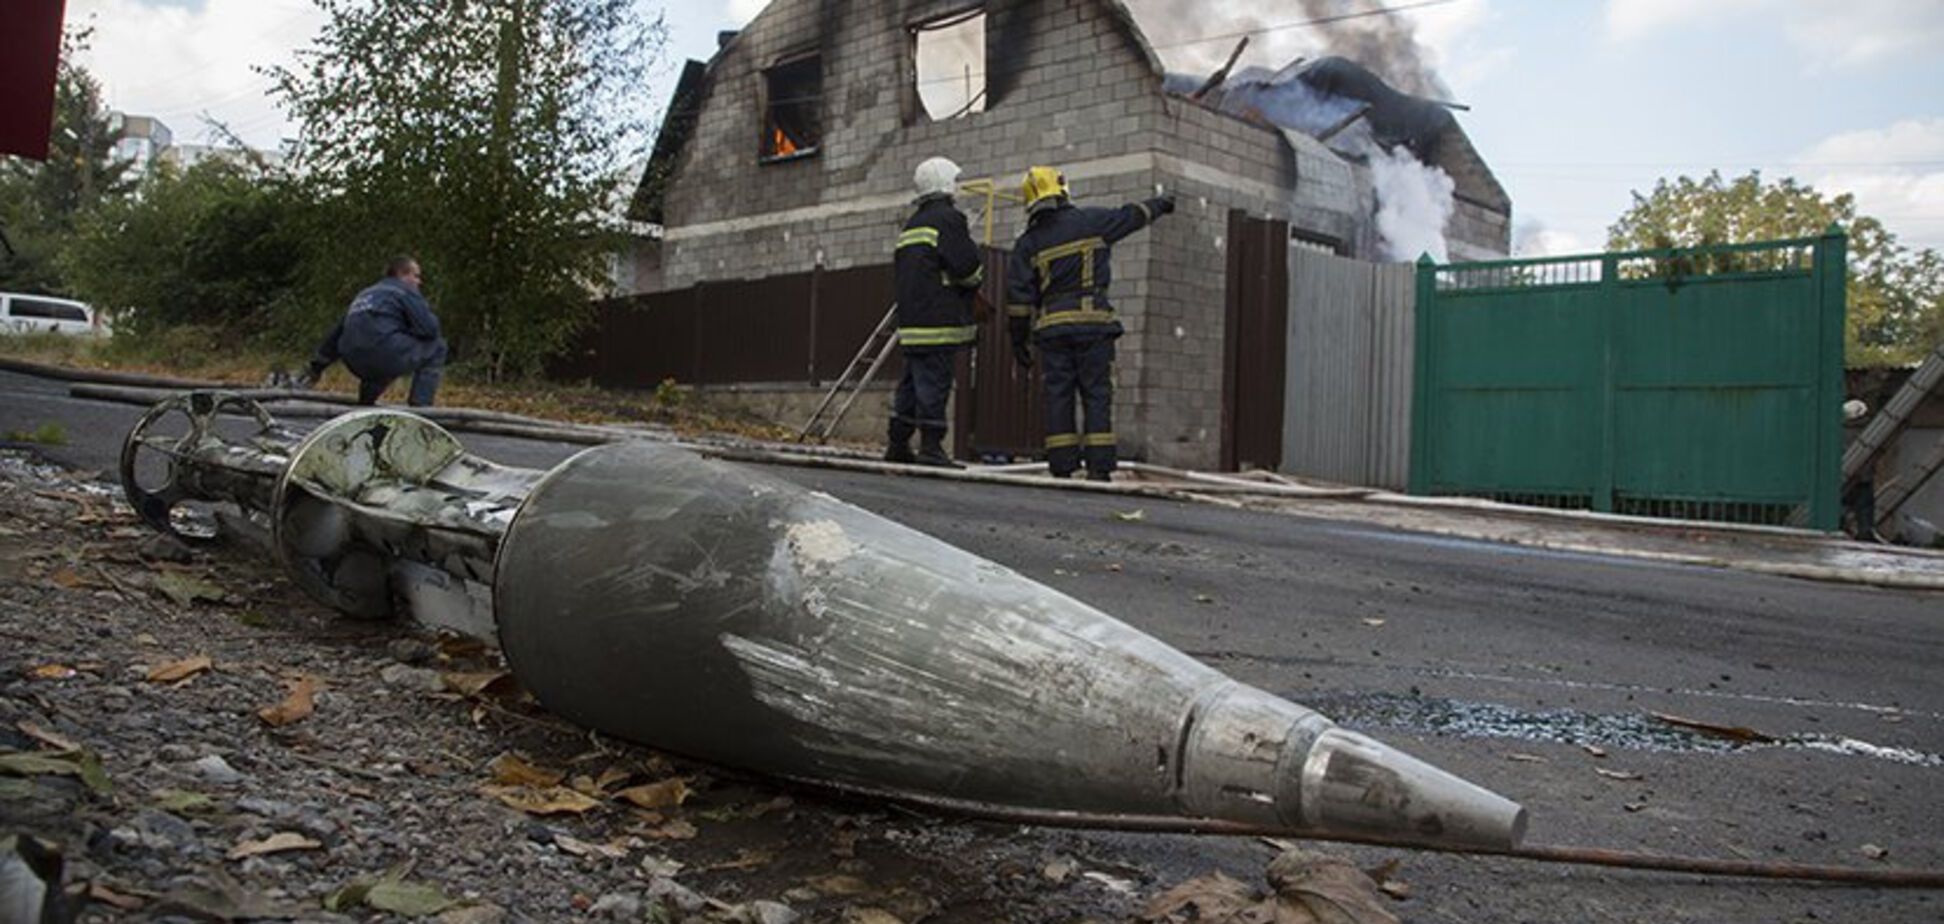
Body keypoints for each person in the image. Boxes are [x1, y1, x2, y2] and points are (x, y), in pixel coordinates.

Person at [1005, 166, 1173, 480]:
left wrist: (1019, 341)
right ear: (1062, 190)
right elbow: (1132, 216)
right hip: (1094, 326)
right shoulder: (1092, 221)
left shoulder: (1028, 243)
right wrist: (1161, 205)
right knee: (1096, 394)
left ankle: (1062, 465)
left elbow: (1018, 301)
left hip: (1053, 330)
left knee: (1058, 395)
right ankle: (1099, 468)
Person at [887, 156, 984, 467]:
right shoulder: (949, 219)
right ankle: (931, 446)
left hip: (912, 322)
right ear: (945, 184)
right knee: (934, 383)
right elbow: (967, 268)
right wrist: (977, 278)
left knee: (911, 384)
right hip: (938, 320)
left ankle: (898, 443)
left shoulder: (912, 224)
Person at [300, 256, 447, 407]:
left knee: (377, 359)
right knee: (438, 347)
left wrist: (316, 367)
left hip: (353, 360)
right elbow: (430, 329)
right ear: (403, 274)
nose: (419, 282)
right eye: (416, 276)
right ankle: (421, 409)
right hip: (384, 353)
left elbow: (336, 334)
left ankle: (365, 406)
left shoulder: (365, 294)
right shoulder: (405, 291)